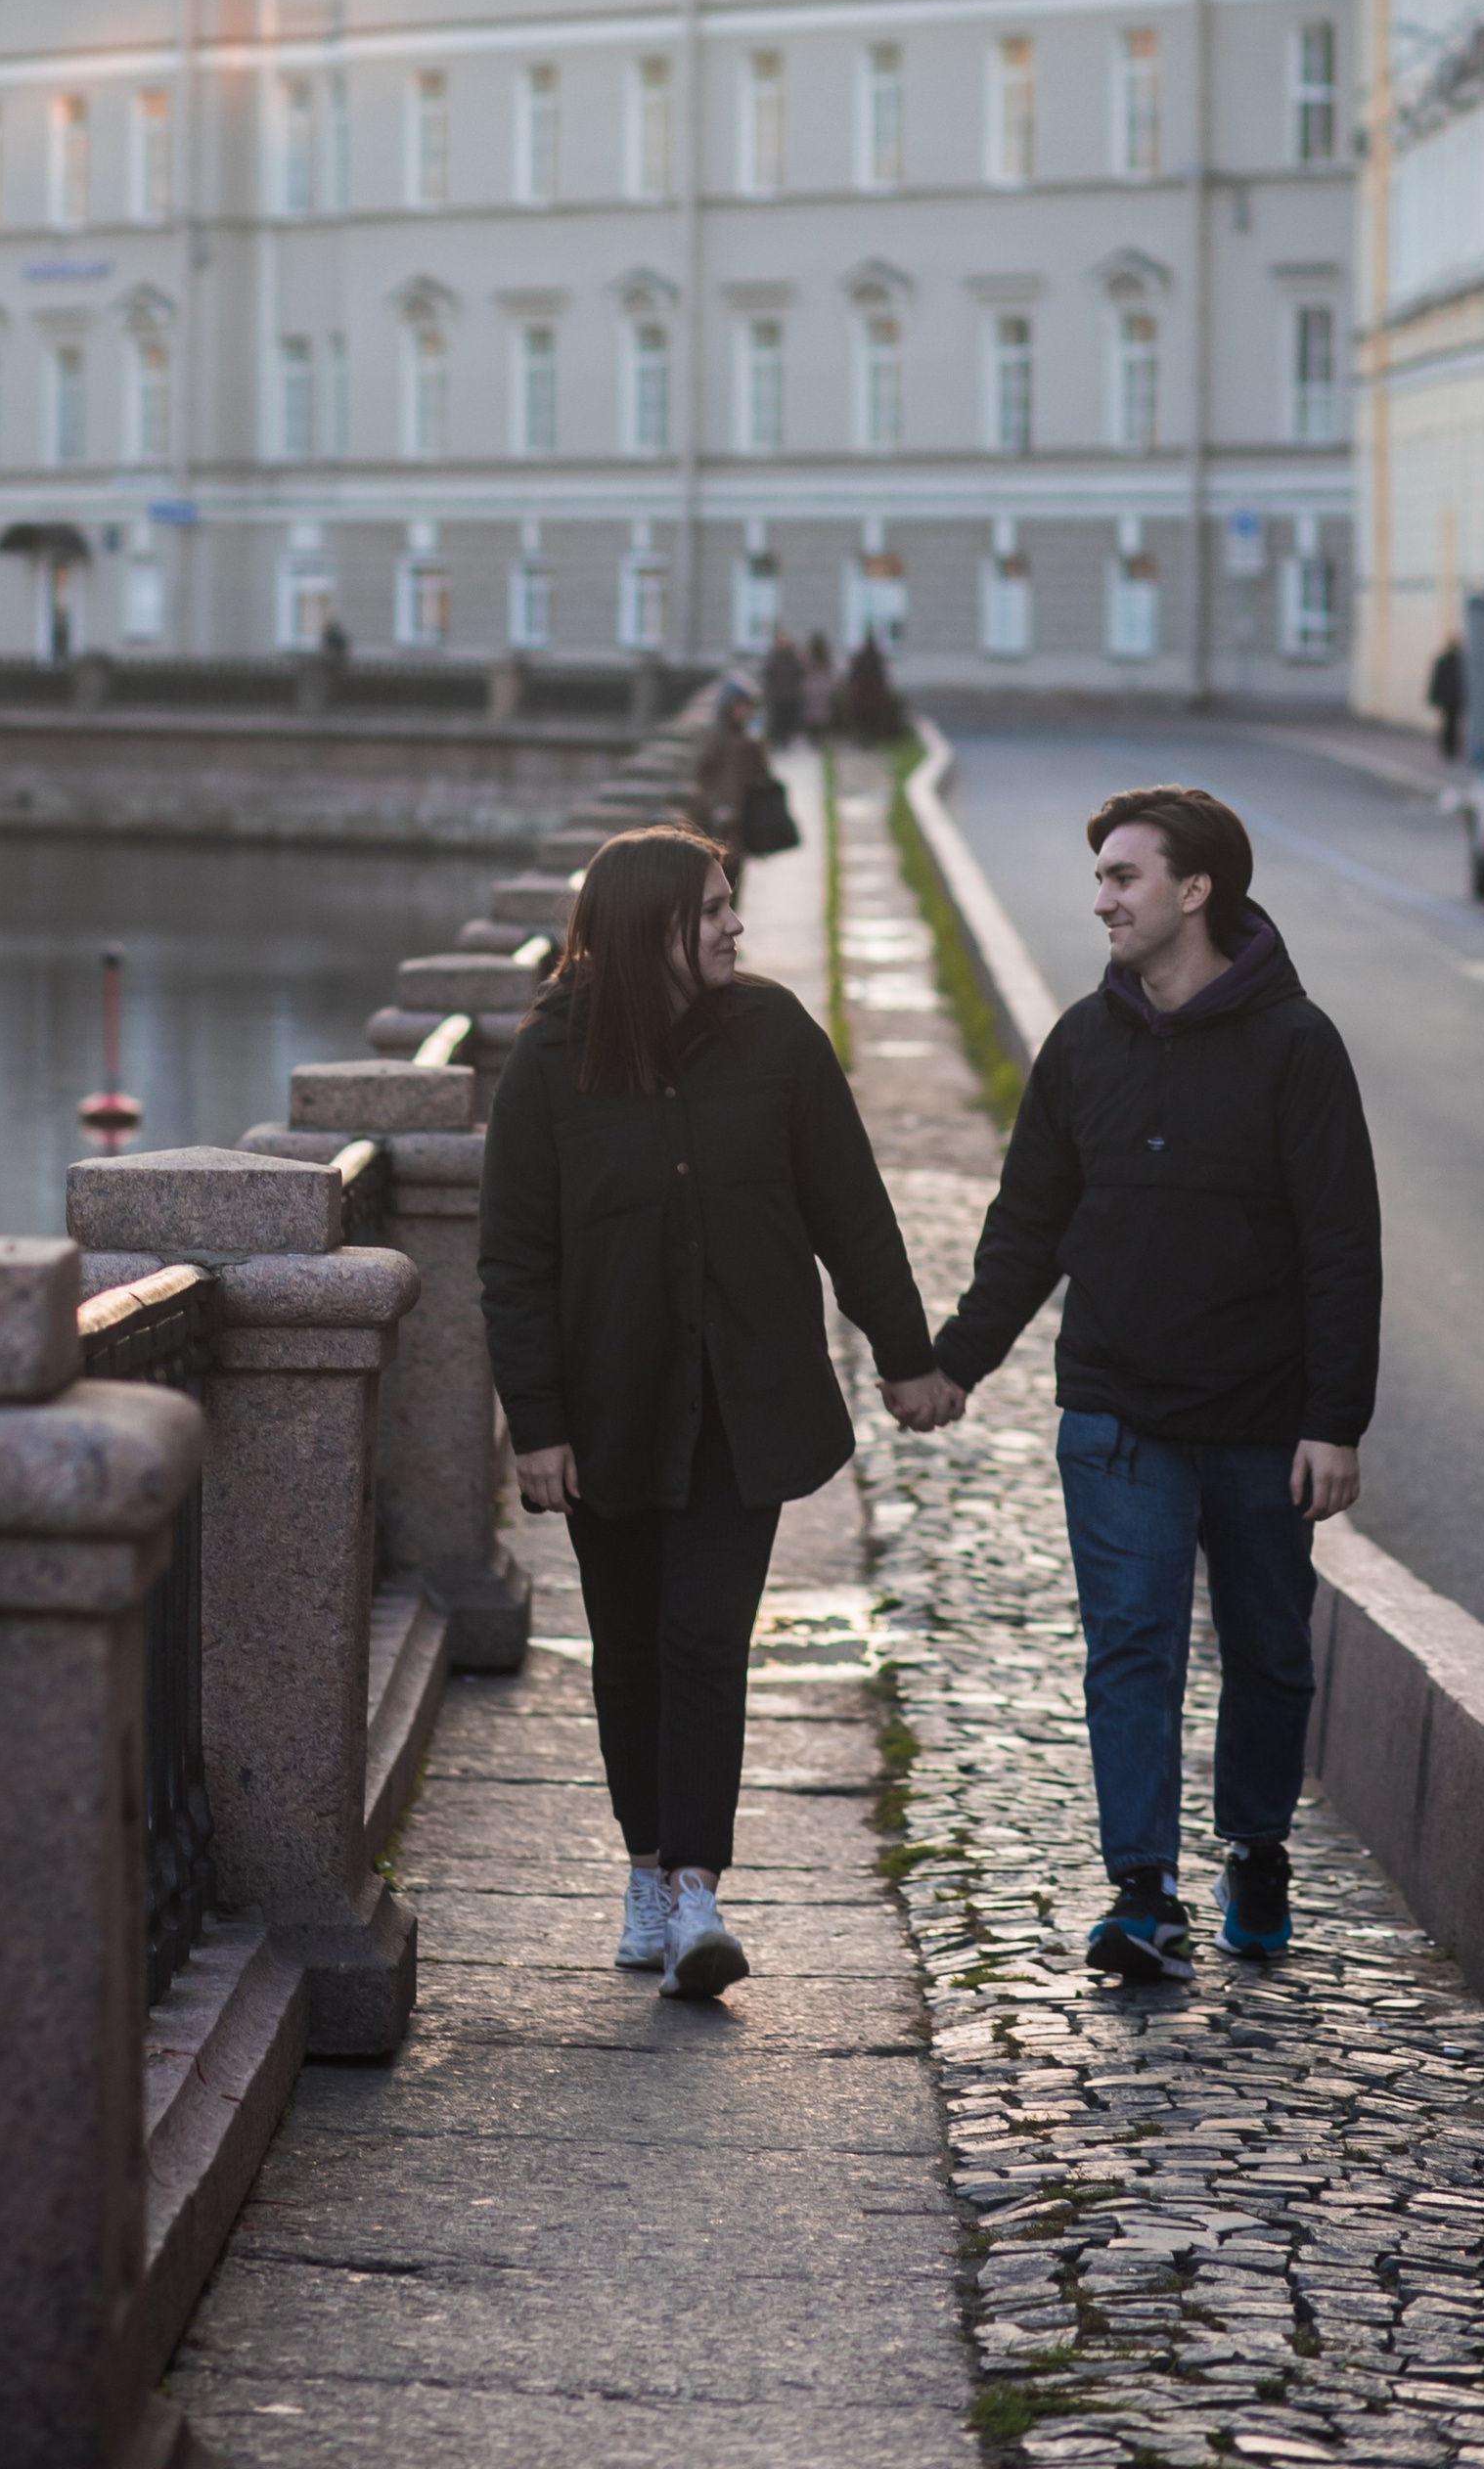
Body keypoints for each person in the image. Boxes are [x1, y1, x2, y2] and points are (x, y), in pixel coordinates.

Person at [478, 827, 954, 1998]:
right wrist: (534, 1423)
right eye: (711, 911)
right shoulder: (549, 1059)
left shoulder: (778, 1036)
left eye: (730, 905)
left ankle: (696, 1890)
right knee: (627, 1653)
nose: (735, 925)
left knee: (702, 1642)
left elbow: (852, 1209)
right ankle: (644, 1866)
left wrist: (907, 1359)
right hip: (608, 1408)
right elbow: (514, 1256)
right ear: (649, 932)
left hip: (743, 1401)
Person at [922, 785, 1380, 1983]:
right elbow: (1028, 1226)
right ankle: (1141, 1894)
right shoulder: (1084, 1041)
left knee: (1269, 1651)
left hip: (1261, 1420)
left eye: (1125, 878)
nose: (1103, 898)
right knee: (1130, 1649)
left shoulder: (1298, 1045)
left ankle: (1255, 1847)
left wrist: (1333, 1422)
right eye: (1102, 877)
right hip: (1117, 1409)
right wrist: (956, 1360)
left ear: (1195, 892)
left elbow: (1341, 1244)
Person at [690, 684, 776, 905]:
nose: (743, 712)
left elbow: (762, 776)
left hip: (741, 820)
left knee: (734, 880)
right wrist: (714, 805)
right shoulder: (715, 739)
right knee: (711, 878)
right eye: (739, 707)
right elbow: (701, 775)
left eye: (746, 707)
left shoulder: (750, 742)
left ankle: (729, 927)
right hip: (713, 819)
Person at [840, 629, 901, 745]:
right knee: (871, 720)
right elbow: (883, 678)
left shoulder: (862, 657)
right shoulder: (876, 659)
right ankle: (870, 740)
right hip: (874, 695)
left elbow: (852, 676)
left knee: (863, 720)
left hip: (862, 695)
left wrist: (847, 688)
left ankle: (865, 740)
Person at [761, 629, 806, 749]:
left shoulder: (792, 657)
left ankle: (787, 742)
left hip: (791, 695)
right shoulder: (773, 658)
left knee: (789, 721)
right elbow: (767, 673)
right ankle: (778, 742)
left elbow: (801, 672)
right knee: (777, 721)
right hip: (777, 695)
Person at [1426, 634, 1467, 765]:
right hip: (1455, 698)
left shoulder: (1445, 660)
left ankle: (1449, 749)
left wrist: (1433, 697)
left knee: (1448, 723)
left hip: (1447, 698)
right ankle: (1451, 748)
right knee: (1453, 724)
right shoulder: (1460, 661)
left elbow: (1436, 681)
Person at [801, 631, 836, 733]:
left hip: (815, 686)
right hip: (818, 686)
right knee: (816, 712)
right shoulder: (822, 656)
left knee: (816, 712)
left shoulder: (810, 657)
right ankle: (817, 731)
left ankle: (816, 731)